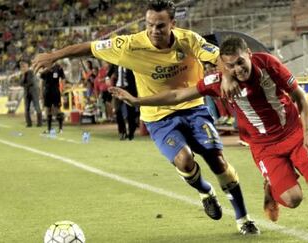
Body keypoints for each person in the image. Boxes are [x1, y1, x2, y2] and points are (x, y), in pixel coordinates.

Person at [31, 0, 258, 235]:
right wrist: (54, 55)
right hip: (158, 116)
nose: (153, 31)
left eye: (160, 26)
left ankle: (243, 219)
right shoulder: (130, 45)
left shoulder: (188, 39)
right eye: (149, 25)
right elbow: (92, 47)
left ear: (172, 24)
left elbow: (218, 56)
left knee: (218, 161)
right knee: (184, 160)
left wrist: (228, 76)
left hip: (193, 108)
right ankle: (205, 191)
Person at [111, 36, 308, 232]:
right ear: (224, 65)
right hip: (263, 146)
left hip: (293, 133)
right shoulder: (217, 82)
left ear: (249, 54)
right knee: (293, 199)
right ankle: (272, 186)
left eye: (241, 62)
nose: (237, 69)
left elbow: (299, 96)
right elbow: (178, 95)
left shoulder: (268, 64)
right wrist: (137, 101)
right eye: (230, 66)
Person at [40, 62, 65, 133]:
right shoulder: (44, 68)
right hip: (47, 91)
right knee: (48, 110)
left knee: (57, 109)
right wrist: (41, 93)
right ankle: (49, 129)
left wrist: (63, 89)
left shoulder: (58, 67)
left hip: (55, 91)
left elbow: (63, 78)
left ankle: (61, 129)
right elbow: (41, 81)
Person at [20, 60, 42, 128]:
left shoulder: (31, 72)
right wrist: (23, 75)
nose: (23, 68)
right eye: (22, 67)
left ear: (27, 66)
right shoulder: (22, 74)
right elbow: (20, 83)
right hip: (26, 91)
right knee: (26, 108)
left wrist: (24, 84)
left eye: (24, 66)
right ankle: (28, 123)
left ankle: (39, 123)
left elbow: (30, 82)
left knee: (36, 106)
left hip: (33, 91)